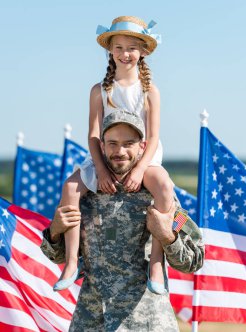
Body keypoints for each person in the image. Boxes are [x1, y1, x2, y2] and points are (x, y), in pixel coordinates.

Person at [41, 110, 205, 331]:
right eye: (113, 143)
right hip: (93, 320)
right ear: (101, 147)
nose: (120, 151)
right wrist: (54, 231)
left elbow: (194, 260)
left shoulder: (160, 194)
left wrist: (167, 236)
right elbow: (57, 257)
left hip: (146, 321)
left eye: (129, 143)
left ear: (142, 147)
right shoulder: (84, 192)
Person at [54, 15, 175, 294]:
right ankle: (72, 261)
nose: (125, 54)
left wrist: (139, 170)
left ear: (143, 51)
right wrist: (102, 169)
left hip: (143, 157)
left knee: (165, 188)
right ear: (110, 50)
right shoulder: (100, 90)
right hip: (106, 157)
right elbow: (94, 134)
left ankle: (156, 262)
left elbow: (153, 137)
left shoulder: (149, 92)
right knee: (71, 188)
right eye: (118, 47)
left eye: (132, 48)